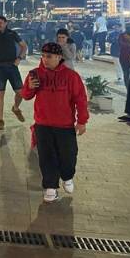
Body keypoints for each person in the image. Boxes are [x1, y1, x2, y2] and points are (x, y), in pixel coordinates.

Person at [19, 42, 89, 203]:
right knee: (46, 157)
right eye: (43, 56)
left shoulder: (71, 76)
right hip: (43, 124)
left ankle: (67, 176)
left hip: (64, 126)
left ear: (59, 57)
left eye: (49, 56)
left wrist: (82, 121)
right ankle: (50, 187)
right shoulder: (35, 74)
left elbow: (81, 99)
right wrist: (29, 87)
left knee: (68, 156)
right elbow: (26, 95)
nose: (45, 59)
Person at [118, 23, 130, 88]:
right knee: (126, 74)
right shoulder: (122, 35)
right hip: (125, 58)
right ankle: (129, 90)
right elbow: (121, 44)